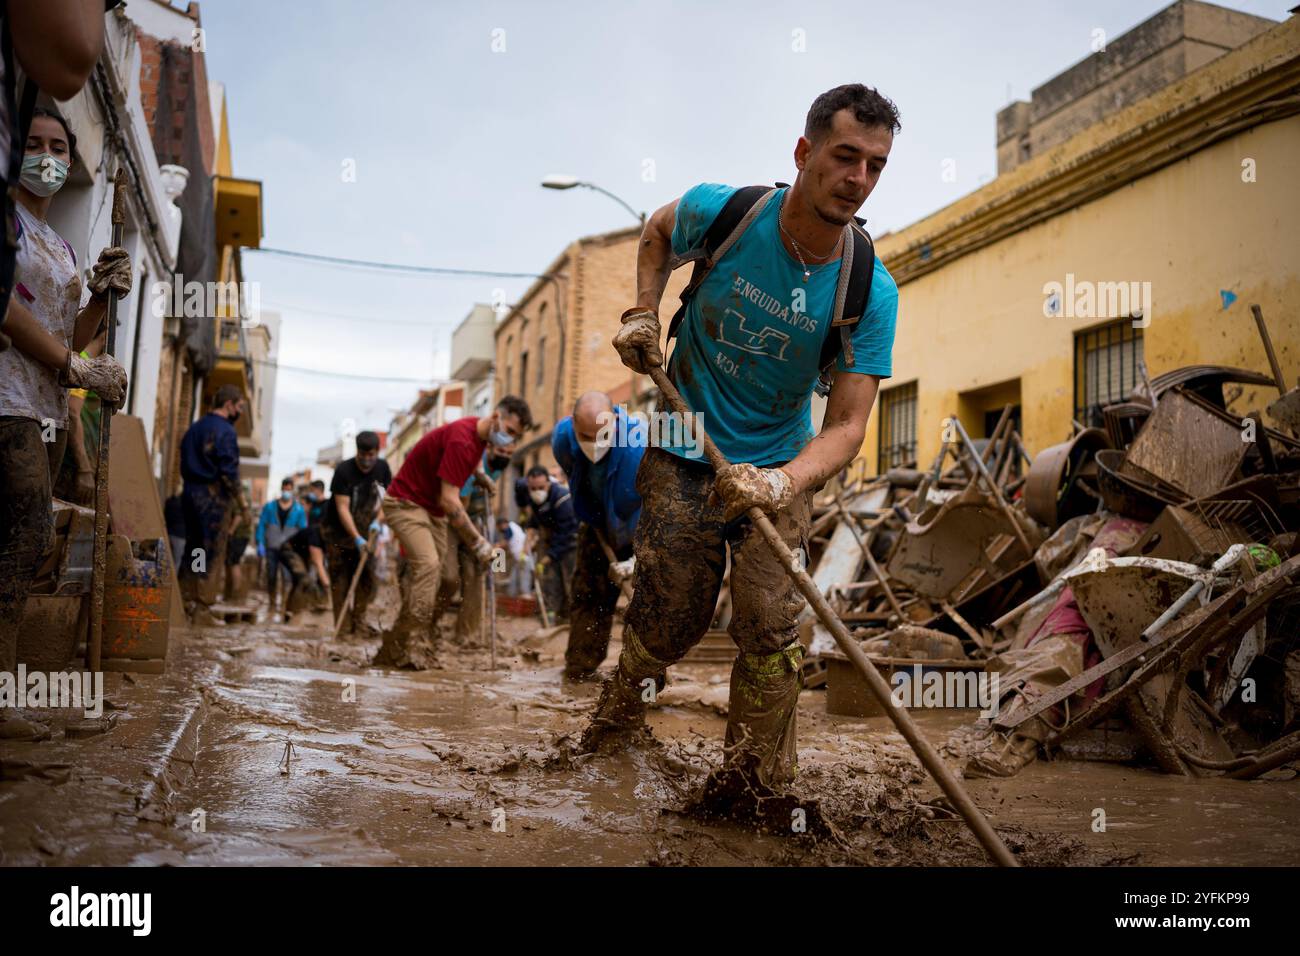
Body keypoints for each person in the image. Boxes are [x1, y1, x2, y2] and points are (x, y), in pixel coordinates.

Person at [581, 84, 901, 820]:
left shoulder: (867, 289)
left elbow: (848, 427)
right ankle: (618, 716)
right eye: (844, 156)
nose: (857, 179)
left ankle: (755, 786)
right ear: (805, 151)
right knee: (674, 615)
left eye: (875, 167)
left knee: (768, 627)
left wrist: (780, 483)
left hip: (778, 464)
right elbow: (657, 231)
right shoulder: (726, 212)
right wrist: (641, 313)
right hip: (681, 443)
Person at [0, 102, 129, 740]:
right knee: (24, 531)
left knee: (25, 539)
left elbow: (70, 333)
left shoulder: (60, 245)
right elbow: (6, 311)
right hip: (5, 400)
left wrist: (102, 297)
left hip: (45, 409)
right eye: (34, 142)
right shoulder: (7, 222)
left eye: (58, 147)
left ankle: (10, 686)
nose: (47, 157)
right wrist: (78, 368)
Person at [374, 396, 531, 669]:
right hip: (405, 503)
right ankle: (412, 641)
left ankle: (413, 632)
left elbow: (470, 462)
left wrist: (479, 474)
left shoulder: (478, 433)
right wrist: (480, 544)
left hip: (432, 511)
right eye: (510, 431)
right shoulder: (463, 439)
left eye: (516, 436)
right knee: (428, 566)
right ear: (496, 417)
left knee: (448, 579)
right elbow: (450, 501)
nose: (510, 440)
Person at [552, 391, 646, 680]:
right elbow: (573, 474)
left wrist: (636, 558)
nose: (594, 445)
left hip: (640, 531)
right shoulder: (563, 439)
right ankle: (580, 669)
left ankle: (642, 678)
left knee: (646, 605)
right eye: (586, 436)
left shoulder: (638, 449)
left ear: (615, 421)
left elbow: (658, 507)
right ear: (573, 424)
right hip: (597, 526)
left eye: (601, 435)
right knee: (588, 594)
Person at [179, 384, 248, 624]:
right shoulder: (225, 432)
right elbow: (229, 472)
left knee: (196, 548)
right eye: (239, 407)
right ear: (229, 404)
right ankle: (202, 608)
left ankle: (187, 602)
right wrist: (243, 504)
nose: (240, 412)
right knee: (211, 551)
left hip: (190, 494)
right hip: (214, 498)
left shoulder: (195, 428)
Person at [436, 447, 511, 646]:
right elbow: (458, 504)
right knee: (449, 577)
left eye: (510, 452)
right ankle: (430, 621)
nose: (505, 455)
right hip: (453, 521)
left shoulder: (500, 467)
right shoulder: (474, 460)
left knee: (475, 577)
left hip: (477, 522)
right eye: (501, 450)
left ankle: (467, 632)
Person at [321, 431, 391, 637]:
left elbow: (388, 500)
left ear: (377, 452)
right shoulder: (344, 470)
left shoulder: (383, 468)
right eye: (363, 455)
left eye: (371, 455)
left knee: (366, 580)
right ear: (357, 452)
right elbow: (342, 508)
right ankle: (342, 630)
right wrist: (355, 537)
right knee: (340, 582)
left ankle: (358, 624)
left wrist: (378, 522)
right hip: (337, 534)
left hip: (368, 530)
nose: (367, 460)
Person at [515, 465, 577, 627]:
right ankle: (549, 619)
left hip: (570, 543)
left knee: (570, 582)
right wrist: (526, 545)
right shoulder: (531, 495)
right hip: (548, 539)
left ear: (549, 483)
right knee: (548, 582)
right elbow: (534, 520)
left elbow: (566, 534)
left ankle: (571, 621)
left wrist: (548, 558)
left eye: (541, 487)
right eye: (533, 488)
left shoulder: (563, 500)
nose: (537, 491)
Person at [257, 477, 307, 613]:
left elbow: (303, 530)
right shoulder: (270, 507)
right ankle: (272, 603)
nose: (287, 492)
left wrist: (302, 549)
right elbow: (262, 525)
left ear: (292, 490)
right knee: (271, 575)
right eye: (285, 489)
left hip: (289, 549)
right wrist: (260, 542)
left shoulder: (299, 509)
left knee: (288, 577)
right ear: (282, 489)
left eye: (289, 489)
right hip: (272, 546)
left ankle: (285, 604)